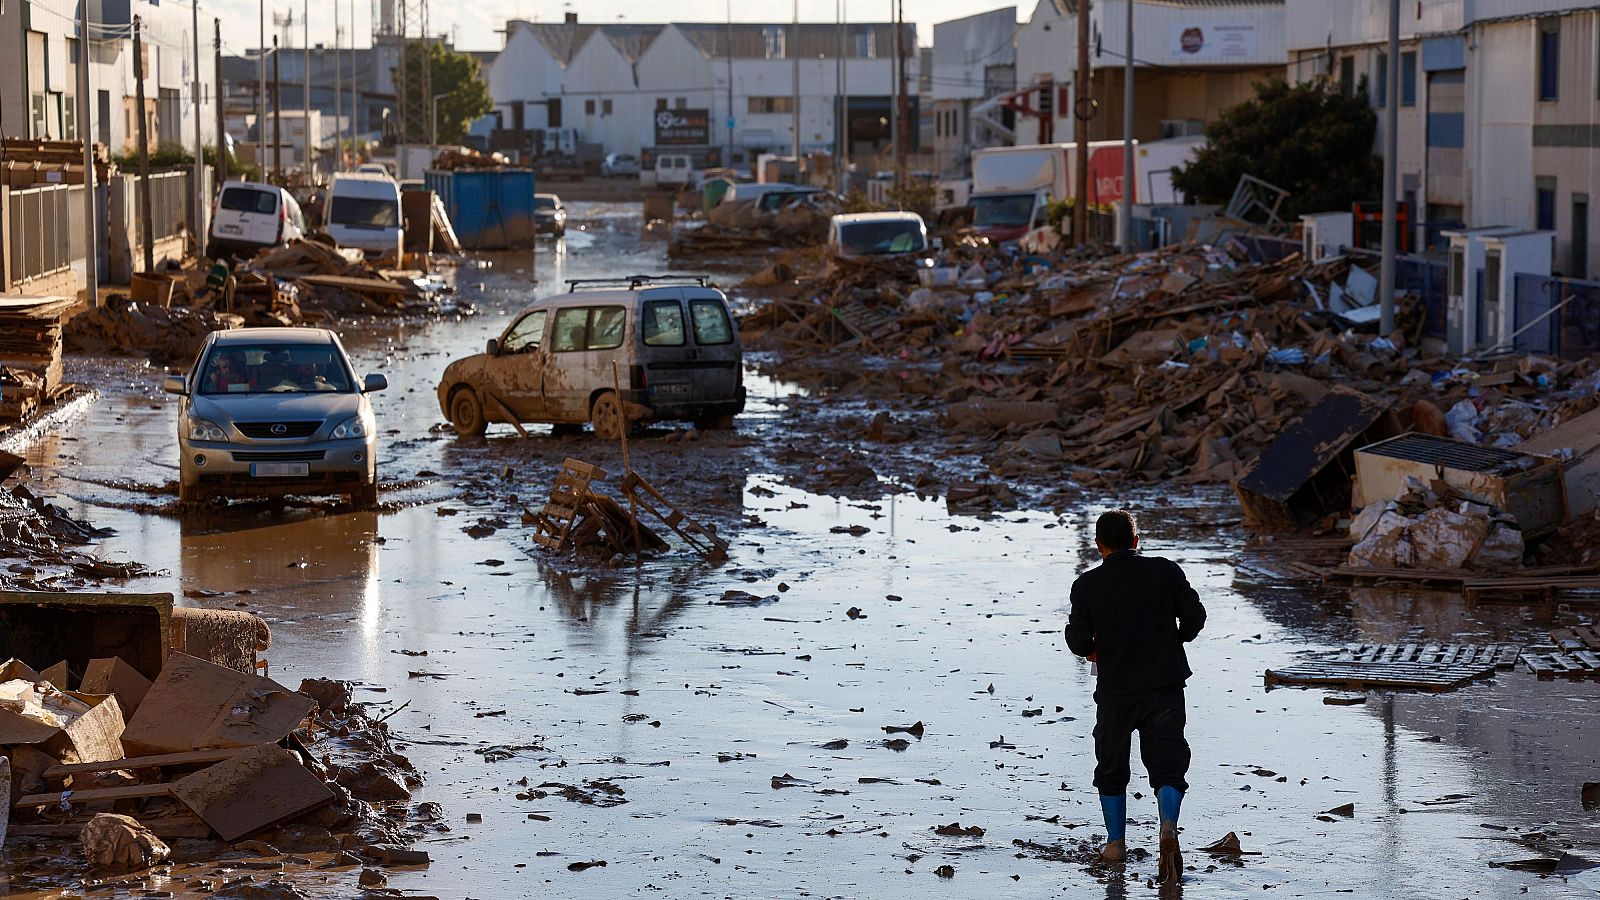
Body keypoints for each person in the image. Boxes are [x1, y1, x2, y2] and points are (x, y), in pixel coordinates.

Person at [1064, 509, 1206, 884]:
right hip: (1165, 685)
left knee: (1111, 766)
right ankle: (1169, 826)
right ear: (1136, 542)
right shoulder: (1166, 571)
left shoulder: (1088, 585)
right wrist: (1174, 638)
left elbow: (1078, 641)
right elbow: (1195, 618)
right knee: (1169, 762)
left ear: (1099, 547)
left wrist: (1095, 647)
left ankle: (1115, 843)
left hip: (1116, 692)